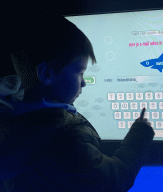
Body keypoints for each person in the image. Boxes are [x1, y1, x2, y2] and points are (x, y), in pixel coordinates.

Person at [0, 12, 154, 191]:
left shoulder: (10, 118)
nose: (83, 82)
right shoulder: (66, 138)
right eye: (80, 72)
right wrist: (140, 134)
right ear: (46, 74)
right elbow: (115, 180)